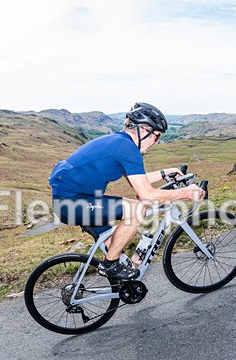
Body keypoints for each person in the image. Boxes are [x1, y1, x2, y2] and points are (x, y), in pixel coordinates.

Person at [49, 102, 204, 280]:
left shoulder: (120, 142)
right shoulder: (127, 149)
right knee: (137, 209)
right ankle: (109, 266)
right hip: (73, 203)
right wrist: (186, 193)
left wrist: (164, 173)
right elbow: (147, 195)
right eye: (157, 136)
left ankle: (121, 282)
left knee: (114, 244)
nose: (157, 142)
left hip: (76, 200)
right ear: (144, 130)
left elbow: (137, 179)